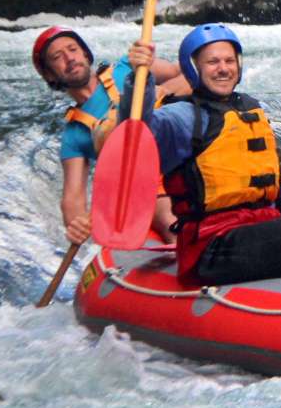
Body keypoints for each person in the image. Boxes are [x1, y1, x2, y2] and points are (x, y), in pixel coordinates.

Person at [107, 22, 281, 285]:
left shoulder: (250, 110)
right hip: (213, 247)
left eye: (229, 60)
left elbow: (269, 187)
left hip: (259, 231)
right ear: (193, 68)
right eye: (213, 62)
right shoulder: (181, 118)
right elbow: (134, 135)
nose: (223, 68)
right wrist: (140, 79)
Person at [32, 25, 185, 246]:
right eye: (57, 56)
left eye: (73, 49)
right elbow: (72, 201)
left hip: (183, 149)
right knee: (169, 219)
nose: (69, 58)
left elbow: (186, 74)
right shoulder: (74, 134)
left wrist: (160, 92)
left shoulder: (128, 66)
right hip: (150, 183)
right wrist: (76, 225)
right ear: (49, 74)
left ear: (85, 54)